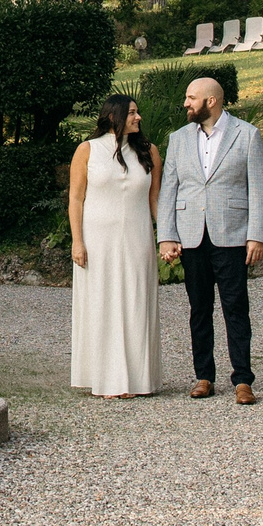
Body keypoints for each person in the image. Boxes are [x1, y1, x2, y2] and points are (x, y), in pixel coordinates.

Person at [156, 75, 263, 404]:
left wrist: (256, 235)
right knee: (199, 309)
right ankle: (203, 375)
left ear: (211, 101)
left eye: (191, 97)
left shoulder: (247, 135)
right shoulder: (177, 139)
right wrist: (167, 236)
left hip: (233, 235)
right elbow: (169, 191)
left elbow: (259, 189)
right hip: (192, 235)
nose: (186, 103)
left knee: (236, 308)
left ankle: (243, 380)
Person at [69, 93, 163, 398]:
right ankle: (106, 378)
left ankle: (136, 379)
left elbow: (155, 200)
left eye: (138, 112)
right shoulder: (87, 150)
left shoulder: (149, 152)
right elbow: (76, 199)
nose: (138, 118)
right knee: (103, 303)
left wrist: (167, 238)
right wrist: (77, 241)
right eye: (132, 113)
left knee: (136, 304)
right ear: (113, 117)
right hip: (98, 240)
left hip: (138, 239)